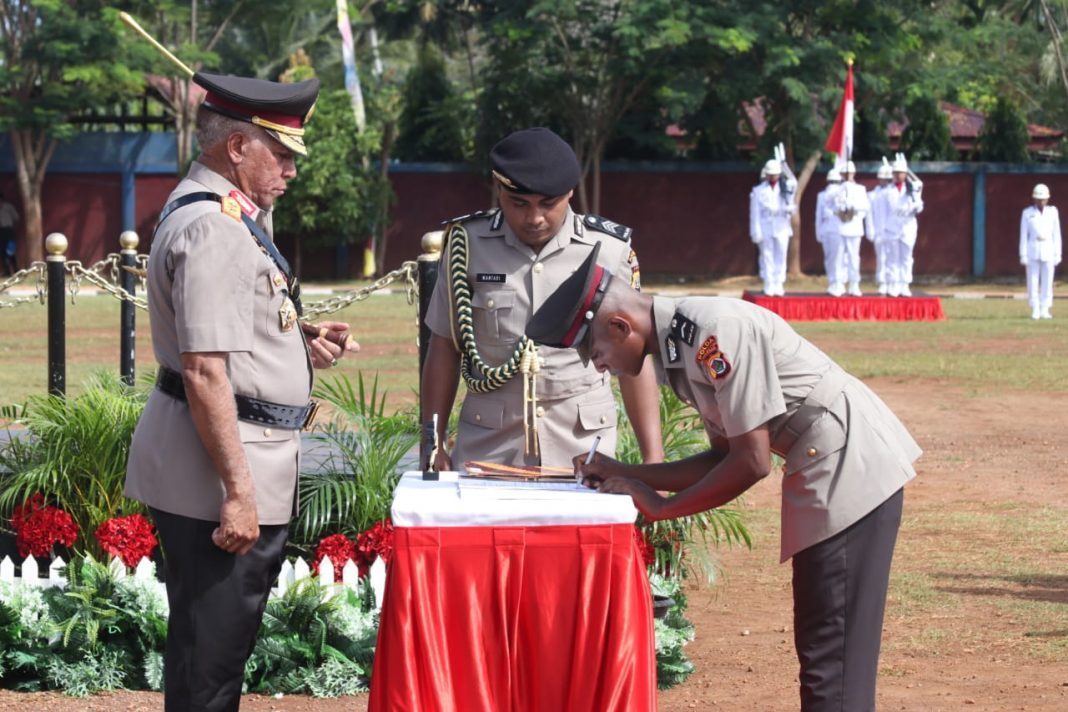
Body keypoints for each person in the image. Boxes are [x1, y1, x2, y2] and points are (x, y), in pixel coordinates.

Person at [524, 248, 921, 712]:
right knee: (824, 647)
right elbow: (723, 456)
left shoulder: (713, 333)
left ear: (619, 326)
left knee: (832, 653)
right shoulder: (678, 348)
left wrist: (663, 507)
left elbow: (752, 462)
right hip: (828, 464)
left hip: (851, 466)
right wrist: (625, 474)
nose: (599, 367)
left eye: (596, 352)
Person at [126, 71, 358, 711]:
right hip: (221, 475)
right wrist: (238, 493)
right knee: (212, 668)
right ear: (236, 148)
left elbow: (225, 337)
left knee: (206, 653)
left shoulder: (215, 211)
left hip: (214, 461)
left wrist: (296, 344)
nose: (288, 170)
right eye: (279, 154)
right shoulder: (217, 229)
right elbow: (203, 369)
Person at [420, 127, 663, 471]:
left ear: (570, 193)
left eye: (548, 204)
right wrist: (433, 442)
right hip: (489, 447)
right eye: (519, 204)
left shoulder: (608, 250)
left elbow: (634, 358)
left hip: (584, 445)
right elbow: (444, 347)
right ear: (499, 190)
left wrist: (653, 458)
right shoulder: (468, 246)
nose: (534, 218)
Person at [749, 158, 795, 296]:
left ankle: (779, 282)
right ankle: (768, 283)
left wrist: (789, 208)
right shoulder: (758, 191)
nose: (773, 176)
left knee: (781, 255)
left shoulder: (786, 188)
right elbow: (754, 213)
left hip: (782, 226)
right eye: (771, 174)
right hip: (766, 226)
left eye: (775, 174)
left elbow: (793, 186)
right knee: (767, 256)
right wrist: (755, 231)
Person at [1019, 183, 1062, 319]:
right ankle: (1035, 308)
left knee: (1048, 280)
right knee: (1032, 280)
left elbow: (1057, 234)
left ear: (1048, 199)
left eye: (1043, 199)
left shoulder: (1053, 212)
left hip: (1048, 248)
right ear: (1034, 199)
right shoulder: (1027, 213)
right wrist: (1023, 254)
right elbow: (1023, 235)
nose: (1041, 201)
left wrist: (1058, 252)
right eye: (1038, 199)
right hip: (1033, 248)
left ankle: (1045, 308)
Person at [884, 154, 923, 297]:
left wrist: (915, 204)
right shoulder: (888, 190)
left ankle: (905, 284)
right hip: (893, 226)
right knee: (893, 257)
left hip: (908, 225)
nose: (898, 175)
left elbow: (919, 206)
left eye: (900, 173)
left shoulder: (912, 188)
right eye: (896, 173)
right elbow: (886, 210)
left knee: (906, 257)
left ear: (905, 174)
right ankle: (893, 284)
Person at [834, 161, 870, 297]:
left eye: (849, 173)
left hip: (854, 225)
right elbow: (834, 207)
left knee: (854, 257)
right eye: (845, 173)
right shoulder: (838, 189)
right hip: (841, 225)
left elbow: (865, 207)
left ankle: (854, 284)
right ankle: (839, 283)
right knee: (839, 257)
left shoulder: (860, 189)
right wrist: (842, 207)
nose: (847, 176)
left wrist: (853, 206)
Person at [814, 168, 843, 296]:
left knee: (839, 257)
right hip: (826, 230)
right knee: (829, 258)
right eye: (831, 182)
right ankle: (832, 282)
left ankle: (839, 282)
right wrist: (818, 232)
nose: (833, 185)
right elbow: (818, 215)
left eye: (835, 182)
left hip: (839, 229)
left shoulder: (843, 194)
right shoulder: (821, 195)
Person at [868, 160, 893, 295]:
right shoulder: (873, 195)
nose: (884, 181)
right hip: (879, 231)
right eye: (882, 179)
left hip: (893, 231)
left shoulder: (895, 193)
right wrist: (870, 230)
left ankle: (893, 282)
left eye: (887, 179)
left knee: (893, 258)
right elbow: (869, 214)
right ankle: (883, 282)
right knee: (881, 258)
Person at [0, 191, 18, 276]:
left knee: (11, 250)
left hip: (8, 230)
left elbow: (16, 218)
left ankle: (15, 270)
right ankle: (7, 271)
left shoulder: (8, 207)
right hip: (1, 231)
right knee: (2, 251)